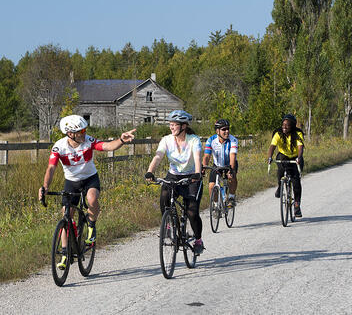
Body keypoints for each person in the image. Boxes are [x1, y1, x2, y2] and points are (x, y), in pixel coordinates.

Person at [39, 114, 135, 270]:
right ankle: (65, 253)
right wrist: (45, 187)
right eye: (80, 131)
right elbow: (51, 168)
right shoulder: (59, 147)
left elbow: (107, 146)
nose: (84, 133)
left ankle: (91, 225)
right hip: (72, 182)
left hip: (90, 179)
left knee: (91, 200)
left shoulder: (88, 141)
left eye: (84, 130)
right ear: (70, 134)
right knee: (66, 213)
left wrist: (122, 140)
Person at [144, 109, 205, 254]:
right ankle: (169, 225)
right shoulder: (166, 140)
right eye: (170, 124)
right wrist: (150, 171)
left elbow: (197, 157)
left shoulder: (193, 140)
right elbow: (158, 156)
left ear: (183, 126)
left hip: (192, 177)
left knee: (191, 212)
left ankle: (198, 240)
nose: (171, 127)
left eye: (175, 125)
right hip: (173, 175)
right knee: (164, 198)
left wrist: (197, 173)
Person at [266, 114, 304, 217]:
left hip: (295, 157)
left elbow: (300, 147)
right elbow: (272, 146)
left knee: (296, 181)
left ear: (292, 126)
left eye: (287, 125)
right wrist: (269, 157)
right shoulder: (278, 133)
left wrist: (299, 158)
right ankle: (280, 185)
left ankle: (296, 205)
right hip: (283, 155)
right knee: (280, 170)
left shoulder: (297, 133)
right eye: (283, 124)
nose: (284, 127)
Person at [202, 119, 239, 207]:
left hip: (229, 164)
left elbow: (232, 156)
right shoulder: (211, 140)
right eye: (224, 129)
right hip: (217, 166)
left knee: (231, 178)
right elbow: (207, 156)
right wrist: (203, 167)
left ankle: (231, 197)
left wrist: (231, 170)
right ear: (217, 131)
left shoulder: (233, 140)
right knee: (211, 186)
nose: (227, 131)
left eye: (228, 129)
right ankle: (215, 205)